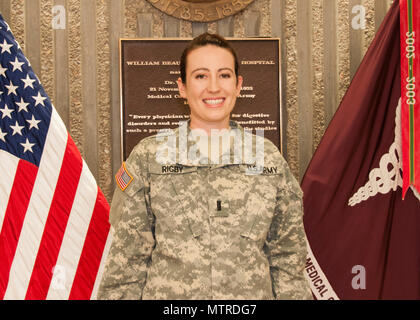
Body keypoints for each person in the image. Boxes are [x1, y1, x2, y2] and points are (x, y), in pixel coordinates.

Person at [97, 32, 312, 300]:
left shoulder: (268, 160)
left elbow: (287, 262)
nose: (213, 87)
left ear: (238, 84)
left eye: (224, 75)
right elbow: (126, 265)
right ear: (182, 87)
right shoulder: (149, 159)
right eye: (200, 76)